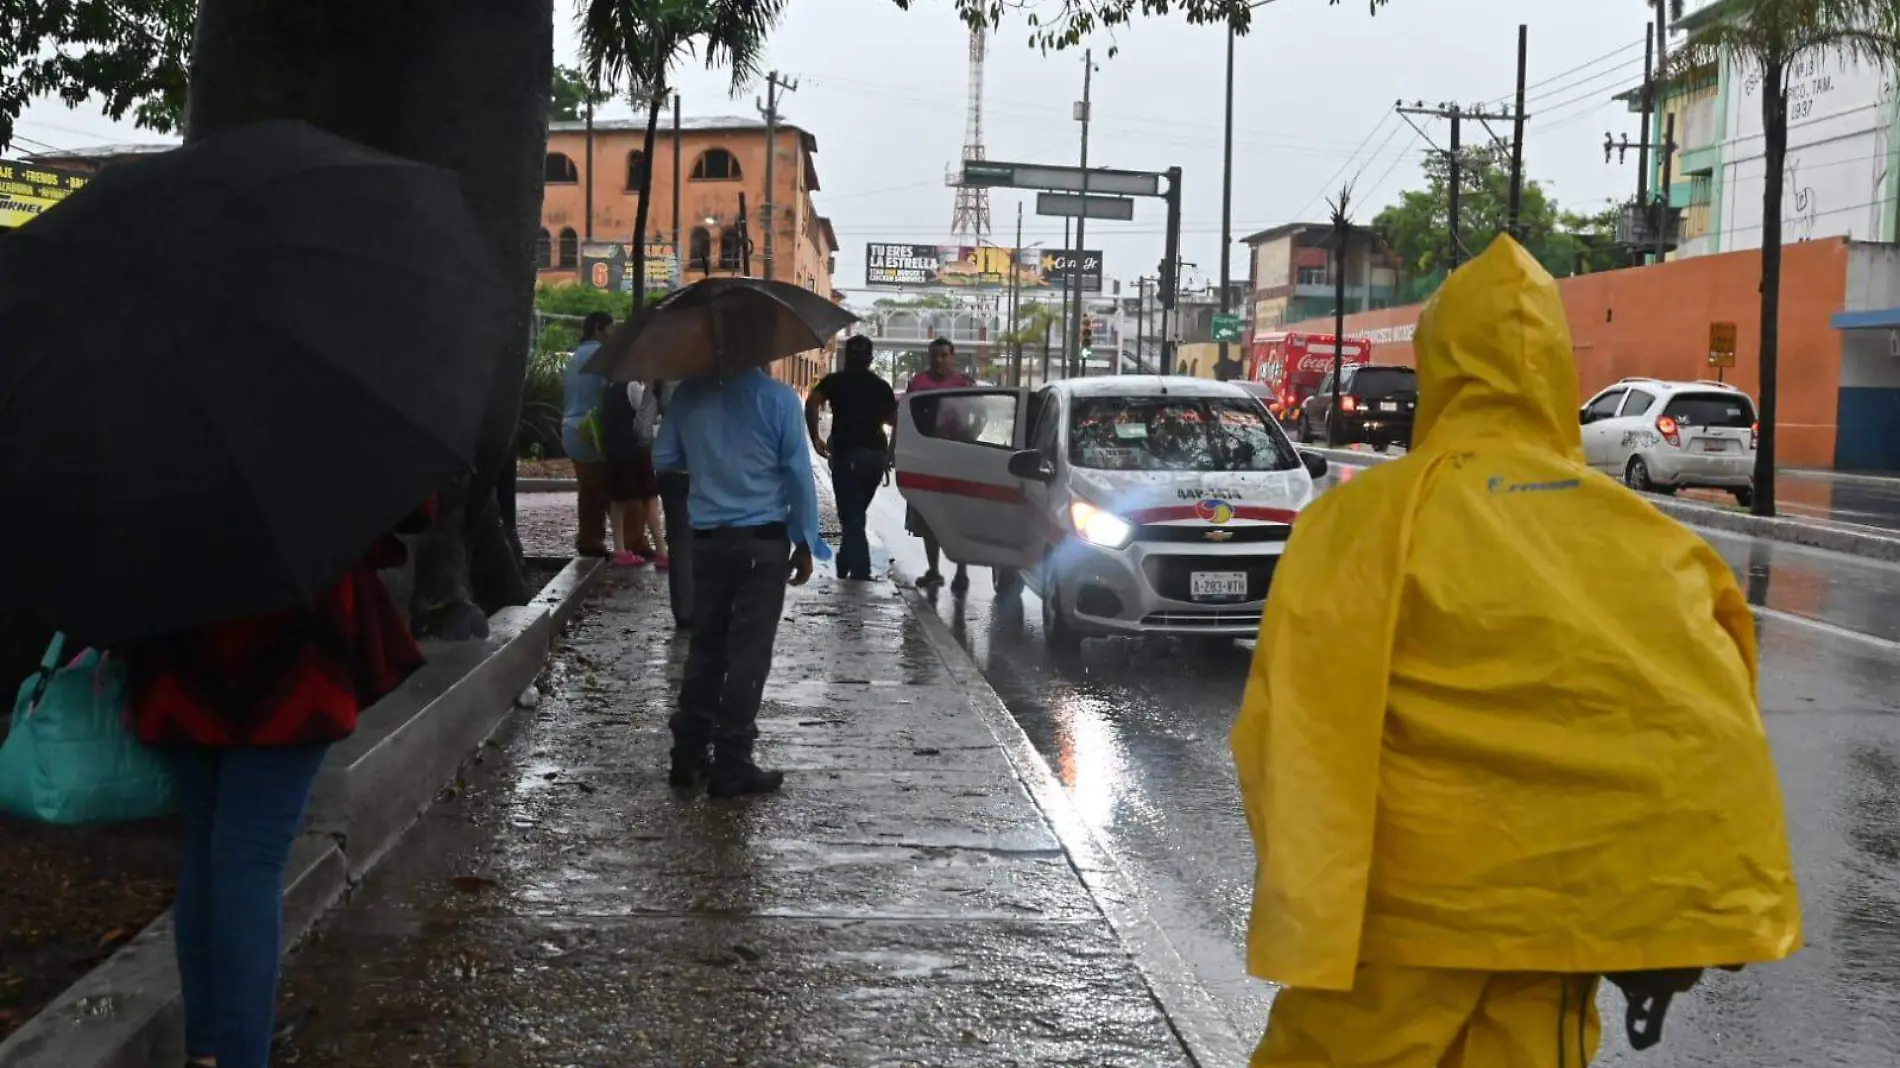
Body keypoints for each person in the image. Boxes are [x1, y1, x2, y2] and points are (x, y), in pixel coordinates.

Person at [1230, 237, 1801, 1067]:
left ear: (1439, 367)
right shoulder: (1651, 542)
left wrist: (1304, 886)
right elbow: (1707, 732)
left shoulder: (1362, 522)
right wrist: (1686, 915)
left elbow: (1291, 723)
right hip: (1558, 924)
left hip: (1398, 925)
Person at [129, 499, 436, 1068]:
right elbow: (409, 505)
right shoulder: (321, 413)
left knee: (207, 845)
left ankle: (208, 1049)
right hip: (292, 654)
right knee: (251, 856)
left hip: (176, 645)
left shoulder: (142, 418)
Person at [653, 365, 829, 797]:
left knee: (706, 646)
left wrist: (711, 455)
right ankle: (732, 761)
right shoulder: (779, 399)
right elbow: (798, 475)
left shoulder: (689, 395)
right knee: (748, 654)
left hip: (707, 542)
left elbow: (665, 458)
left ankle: (688, 753)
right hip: (762, 545)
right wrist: (806, 541)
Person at [806, 335, 897, 582]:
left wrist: (815, 437)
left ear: (846, 357)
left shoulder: (835, 381)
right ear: (871, 358)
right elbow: (895, 420)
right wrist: (891, 452)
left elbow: (812, 402)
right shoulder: (881, 386)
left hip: (846, 455)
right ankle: (846, 558)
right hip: (875, 457)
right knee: (855, 513)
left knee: (852, 514)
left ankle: (860, 569)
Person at [901, 337, 975, 591]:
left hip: (957, 458)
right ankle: (933, 570)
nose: (939, 360)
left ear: (953, 357)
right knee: (928, 515)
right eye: (935, 355)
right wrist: (896, 451)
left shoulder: (964, 384)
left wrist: (972, 436)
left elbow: (982, 412)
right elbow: (905, 417)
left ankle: (962, 571)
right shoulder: (918, 383)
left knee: (960, 516)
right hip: (926, 458)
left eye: (944, 355)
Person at [560, 311, 615, 558]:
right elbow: (611, 394)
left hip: (570, 428)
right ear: (599, 328)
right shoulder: (603, 357)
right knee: (605, 489)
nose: (612, 334)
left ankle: (589, 539)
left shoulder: (574, 357)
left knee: (589, 490)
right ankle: (607, 541)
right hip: (591, 430)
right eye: (610, 328)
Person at [599, 377, 667, 570]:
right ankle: (662, 551)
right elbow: (643, 426)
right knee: (650, 498)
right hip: (636, 452)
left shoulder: (610, 386)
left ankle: (619, 549)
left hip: (614, 450)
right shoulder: (635, 387)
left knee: (618, 500)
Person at [653, 379, 693, 628]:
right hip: (709, 478)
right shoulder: (720, 394)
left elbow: (662, 455)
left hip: (676, 479)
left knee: (680, 542)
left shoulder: (677, 393)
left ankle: (685, 608)